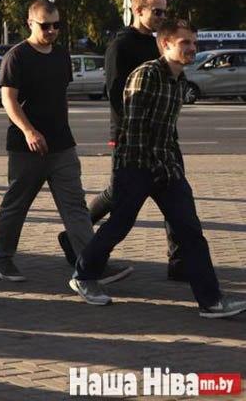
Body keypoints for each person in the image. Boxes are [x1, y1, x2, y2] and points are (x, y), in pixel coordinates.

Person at [69, 20, 246, 318]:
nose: (191, 48)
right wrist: (158, 167)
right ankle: (84, 276)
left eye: (193, 42)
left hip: (165, 167)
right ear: (165, 45)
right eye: (184, 43)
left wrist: (172, 164)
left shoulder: (180, 80)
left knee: (190, 231)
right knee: (119, 225)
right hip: (136, 167)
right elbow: (135, 130)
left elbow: (166, 130)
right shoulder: (147, 74)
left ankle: (211, 301)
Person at [0, 0, 131, 285]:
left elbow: (59, 97)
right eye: (45, 25)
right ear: (30, 23)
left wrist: (61, 128)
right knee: (17, 205)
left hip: (62, 146)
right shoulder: (17, 56)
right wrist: (29, 131)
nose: (52, 30)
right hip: (26, 147)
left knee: (76, 207)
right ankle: (2, 259)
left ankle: (91, 265)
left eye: (57, 25)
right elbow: (9, 100)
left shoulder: (61, 55)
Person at [73, 0, 183, 280]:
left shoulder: (159, 43)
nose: (162, 17)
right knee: (119, 199)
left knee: (176, 193)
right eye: (156, 11)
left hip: (164, 135)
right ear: (138, 11)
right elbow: (115, 93)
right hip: (130, 136)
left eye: (164, 11)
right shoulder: (121, 45)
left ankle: (179, 261)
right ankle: (77, 240)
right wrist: (129, 132)